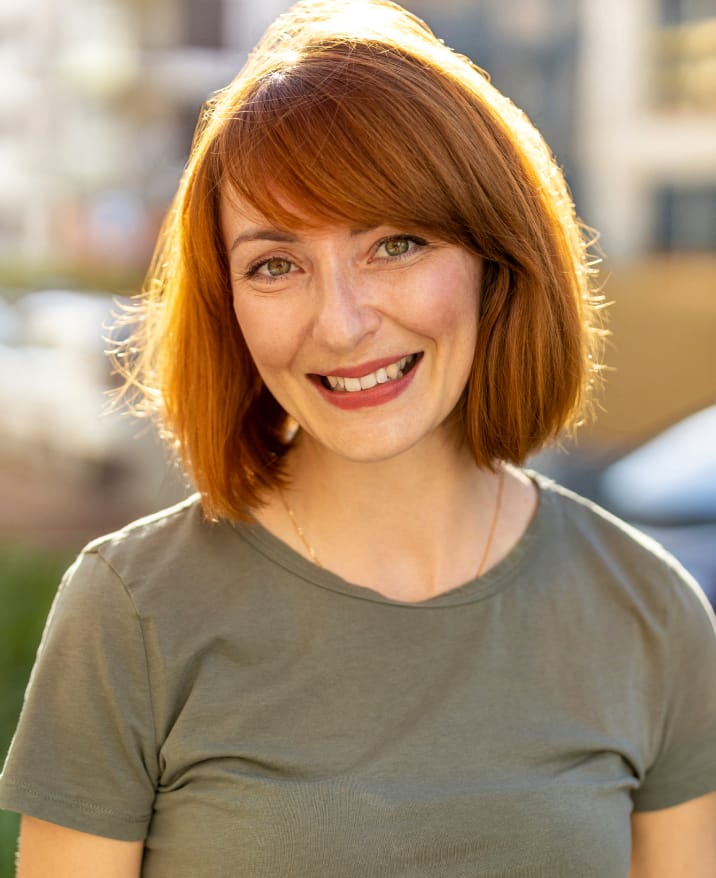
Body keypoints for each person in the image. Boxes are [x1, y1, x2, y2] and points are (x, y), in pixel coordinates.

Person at [2, 1, 716, 875]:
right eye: (276, 264)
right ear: (229, 307)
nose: (340, 325)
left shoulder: (652, 614)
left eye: (396, 244)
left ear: (497, 260)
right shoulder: (133, 611)